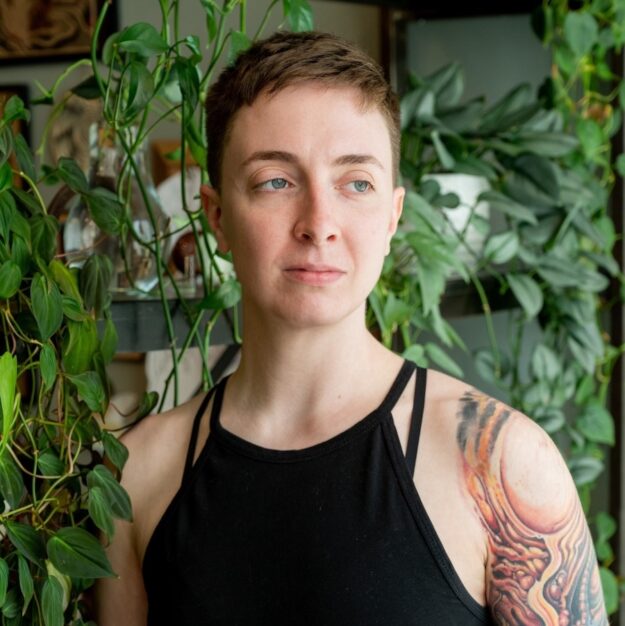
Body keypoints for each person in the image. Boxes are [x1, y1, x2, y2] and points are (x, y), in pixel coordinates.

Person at [94, 30, 608, 625]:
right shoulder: (140, 472)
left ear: (392, 217)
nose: (319, 223)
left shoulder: (500, 465)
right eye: (276, 181)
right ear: (217, 217)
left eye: (356, 183)